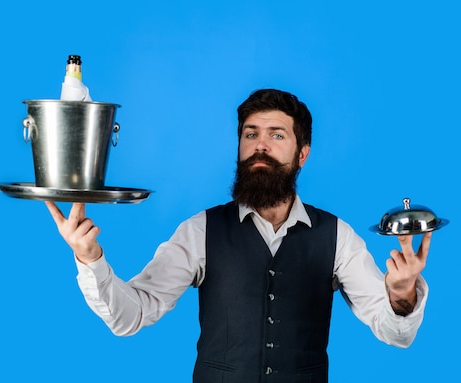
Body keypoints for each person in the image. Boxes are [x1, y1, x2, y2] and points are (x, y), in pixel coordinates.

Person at [46, 88, 432, 382]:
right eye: (251, 134)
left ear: (302, 154)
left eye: (276, 135)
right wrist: (90, 258)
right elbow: (130, 315)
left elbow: (395, 334)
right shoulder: (201, 231)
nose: (260, 145)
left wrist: (401, 296)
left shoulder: (337, 237)